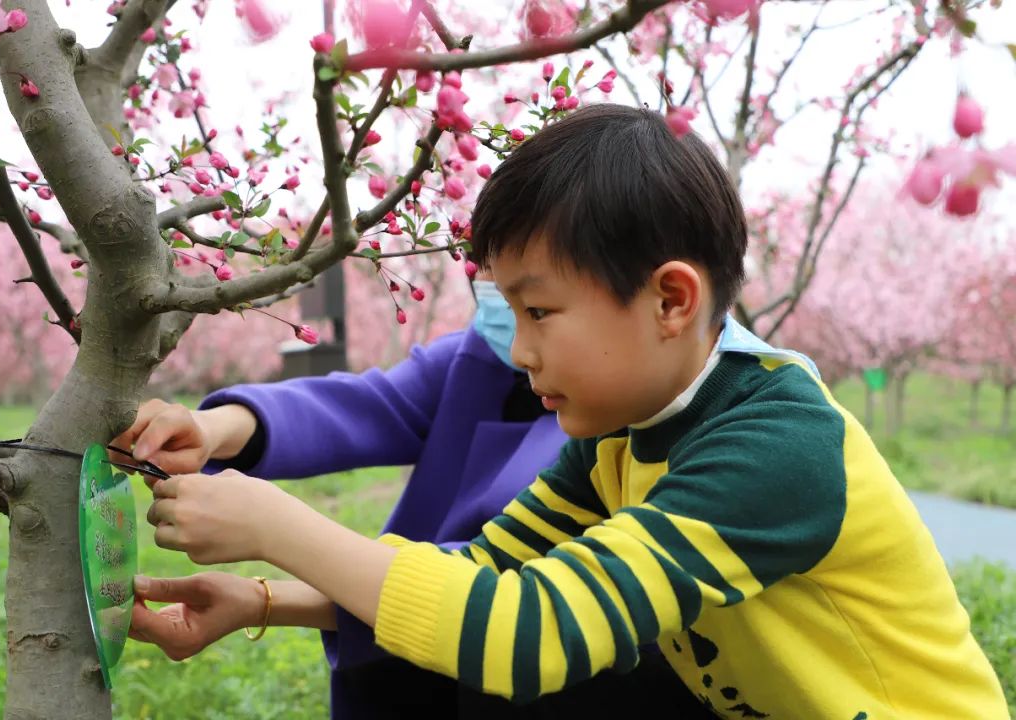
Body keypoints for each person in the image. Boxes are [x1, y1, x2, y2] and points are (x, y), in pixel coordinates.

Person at [129, 104, 1008, 718]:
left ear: (671, 300)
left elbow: (525, 634)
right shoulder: (620, 439)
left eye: (539, 310)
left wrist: (275, 525)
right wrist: (262, 599)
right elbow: (485, 568)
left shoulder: (775, 445)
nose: (516, 349)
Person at [122, 274, 711, 717]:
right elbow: (367, 407)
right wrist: (213, 430)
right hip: (403, 669)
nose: (516, 337)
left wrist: (276, 542)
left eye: (534, 307)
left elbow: (509, 599)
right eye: (489, 283)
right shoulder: (482, 356)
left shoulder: (661, 432)